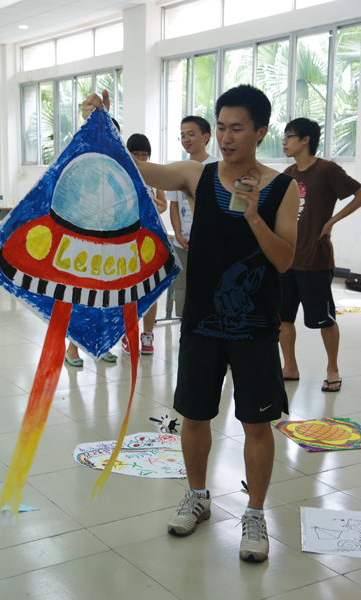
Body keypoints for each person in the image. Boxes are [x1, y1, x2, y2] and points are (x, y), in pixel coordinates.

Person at [82, 85, 299, 563]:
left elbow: (285, 260)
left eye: (237, 128)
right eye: (220, 127)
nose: (226, 137)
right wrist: (102, 126)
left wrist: (254, 216)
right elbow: (134, 168)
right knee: (195, 416)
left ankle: (255, 515)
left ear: (261, 132)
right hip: (201, 321)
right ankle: (197, 496)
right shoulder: (195, 176)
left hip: (255, 326)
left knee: (256, 423)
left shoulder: (282, 188)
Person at [280, 118, 361, 392]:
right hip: (288, 258)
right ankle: (290, 366)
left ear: (305, 140)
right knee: (283, 317)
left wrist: (332, 221)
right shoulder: (288, 173)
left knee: (324, 318)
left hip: (315, 258)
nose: (284, 142)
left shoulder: (327, 169)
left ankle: (332, 368)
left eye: (289, 137)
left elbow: (359, 193)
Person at [65, 117, 121, 367]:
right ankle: (72, 348)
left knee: (107, 296)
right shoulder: (82, 165)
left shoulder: (118, 169)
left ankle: (103, 344)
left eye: (113, 135)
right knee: (82, 296)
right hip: (84, 241)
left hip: (112, 243)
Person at [120, 133, 167, 356]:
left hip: (151, 239)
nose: (140, 158)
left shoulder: (154, 175)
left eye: (144, 154)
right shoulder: (123, 175)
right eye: (136, 154)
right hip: (128, 239)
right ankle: (128, 333)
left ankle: (147, 335)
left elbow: (163, 204)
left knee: (152, 290)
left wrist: (156, 203)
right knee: (129, 290)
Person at [167, 116, 219, 317]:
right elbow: (174, 204)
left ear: (206, 137)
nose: (185, 139)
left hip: (210, 243)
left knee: (209, 288)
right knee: (183, 288)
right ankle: (185, 326)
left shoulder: (217, 166)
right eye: (182, 135)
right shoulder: (178, 168)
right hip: (184, 243)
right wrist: (178, 235)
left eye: (191, 134)